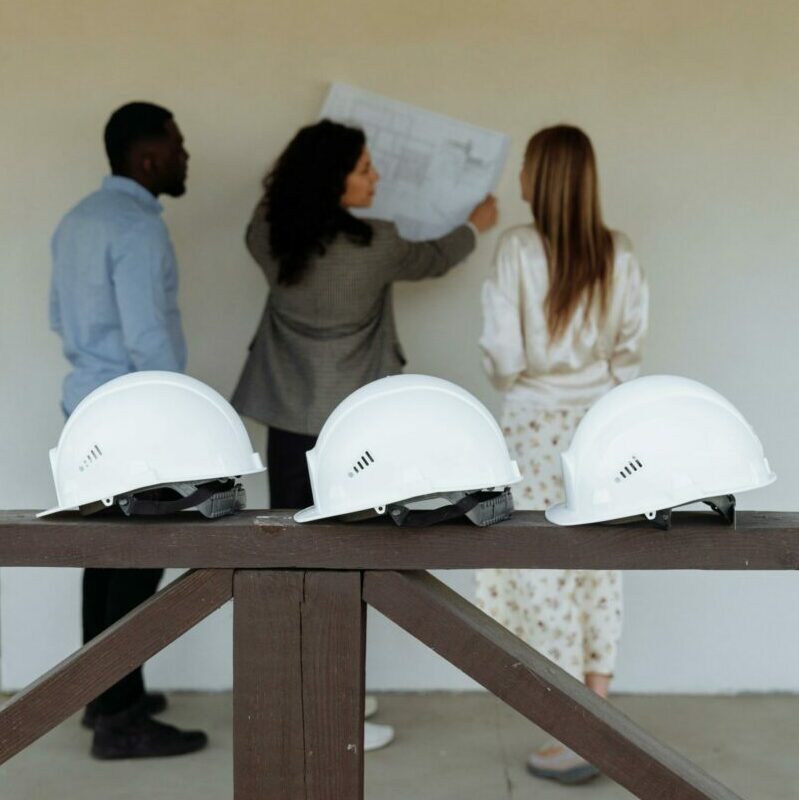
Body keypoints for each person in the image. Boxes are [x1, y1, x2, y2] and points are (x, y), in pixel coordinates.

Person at [232, 118, 498, 750]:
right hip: (354, 430)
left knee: (290, 555)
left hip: (287, 418)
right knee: (345, 560)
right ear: (334, 179)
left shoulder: (269, 237)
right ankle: (332, 706)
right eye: (363, 167)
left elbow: (268, 211)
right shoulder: (377, 243)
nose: (377, 177)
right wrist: (477, 224)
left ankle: (304, 690)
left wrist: (296, 181)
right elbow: (436, 258)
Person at [476, 125, 648, 785]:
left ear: (538, 177)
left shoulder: (516, 249)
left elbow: (503, 359)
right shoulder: (619, 253)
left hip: (531, 427)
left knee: (535, 570)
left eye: (524, 165)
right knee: (599, 566)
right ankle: (595, 712)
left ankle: (569, 730)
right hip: (599, 427)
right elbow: (628, 355)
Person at [49, 101, 207, 759]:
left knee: (104, 554)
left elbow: (59, 317)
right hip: (139, 417)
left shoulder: (77, 220)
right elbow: (148, 339)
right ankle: (120, 717)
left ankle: (105, 692)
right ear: (147, 158)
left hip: (86, 410)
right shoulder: (137, 229)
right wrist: (181, 418)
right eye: (176, 145)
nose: (185, 155)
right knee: (138, 562)